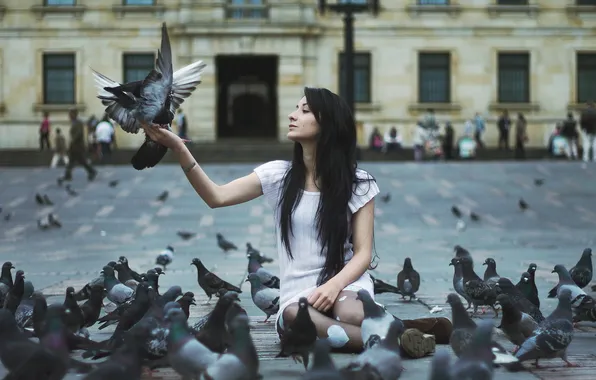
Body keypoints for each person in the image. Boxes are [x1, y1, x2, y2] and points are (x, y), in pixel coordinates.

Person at [140, 87, 451, 357]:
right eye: (295, 108)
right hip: (297, 295)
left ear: (327, 124)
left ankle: (387, 332)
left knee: (351, 309)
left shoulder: (359, 182)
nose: (293, 114)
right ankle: (398, 337)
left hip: (345, 284)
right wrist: (179, 148)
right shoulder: (278, 175)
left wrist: (333, 286)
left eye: (304, 110)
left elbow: (363, 254)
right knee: (293, 317)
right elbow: (216, 197)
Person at [58, 109, 97, 184]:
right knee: (73, 161)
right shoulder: (74, 123)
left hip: (78, 146)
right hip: (74, 146)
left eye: (70, 114)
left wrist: (73, 141)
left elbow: (78, 134)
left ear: (74, 114)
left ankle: (91, 171)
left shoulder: (78, 123)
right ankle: (68, 175)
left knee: (80, 161)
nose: (69, 116)